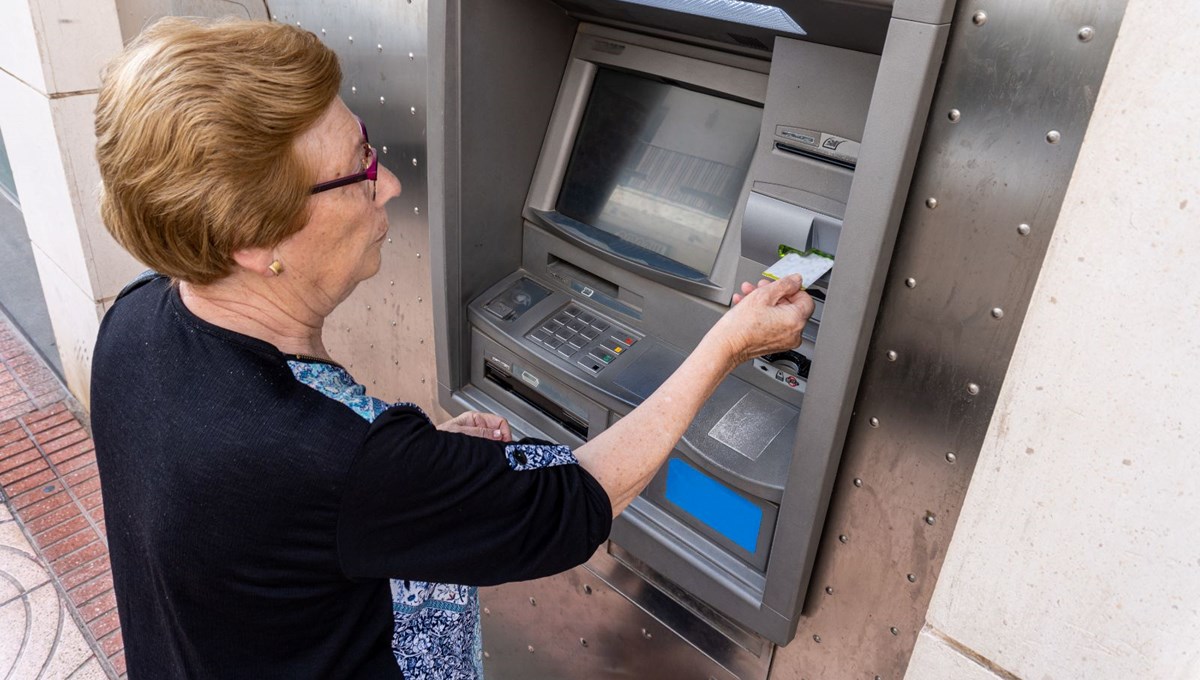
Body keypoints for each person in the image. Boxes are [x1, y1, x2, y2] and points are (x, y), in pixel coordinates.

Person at [89, 17, 814, 680]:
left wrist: (414, 481)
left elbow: (270, 518)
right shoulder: (340, 461)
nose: (393, 183)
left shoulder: (135, 323)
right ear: (254, 239)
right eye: (359, 168)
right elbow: (570, 507)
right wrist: (726, 346)